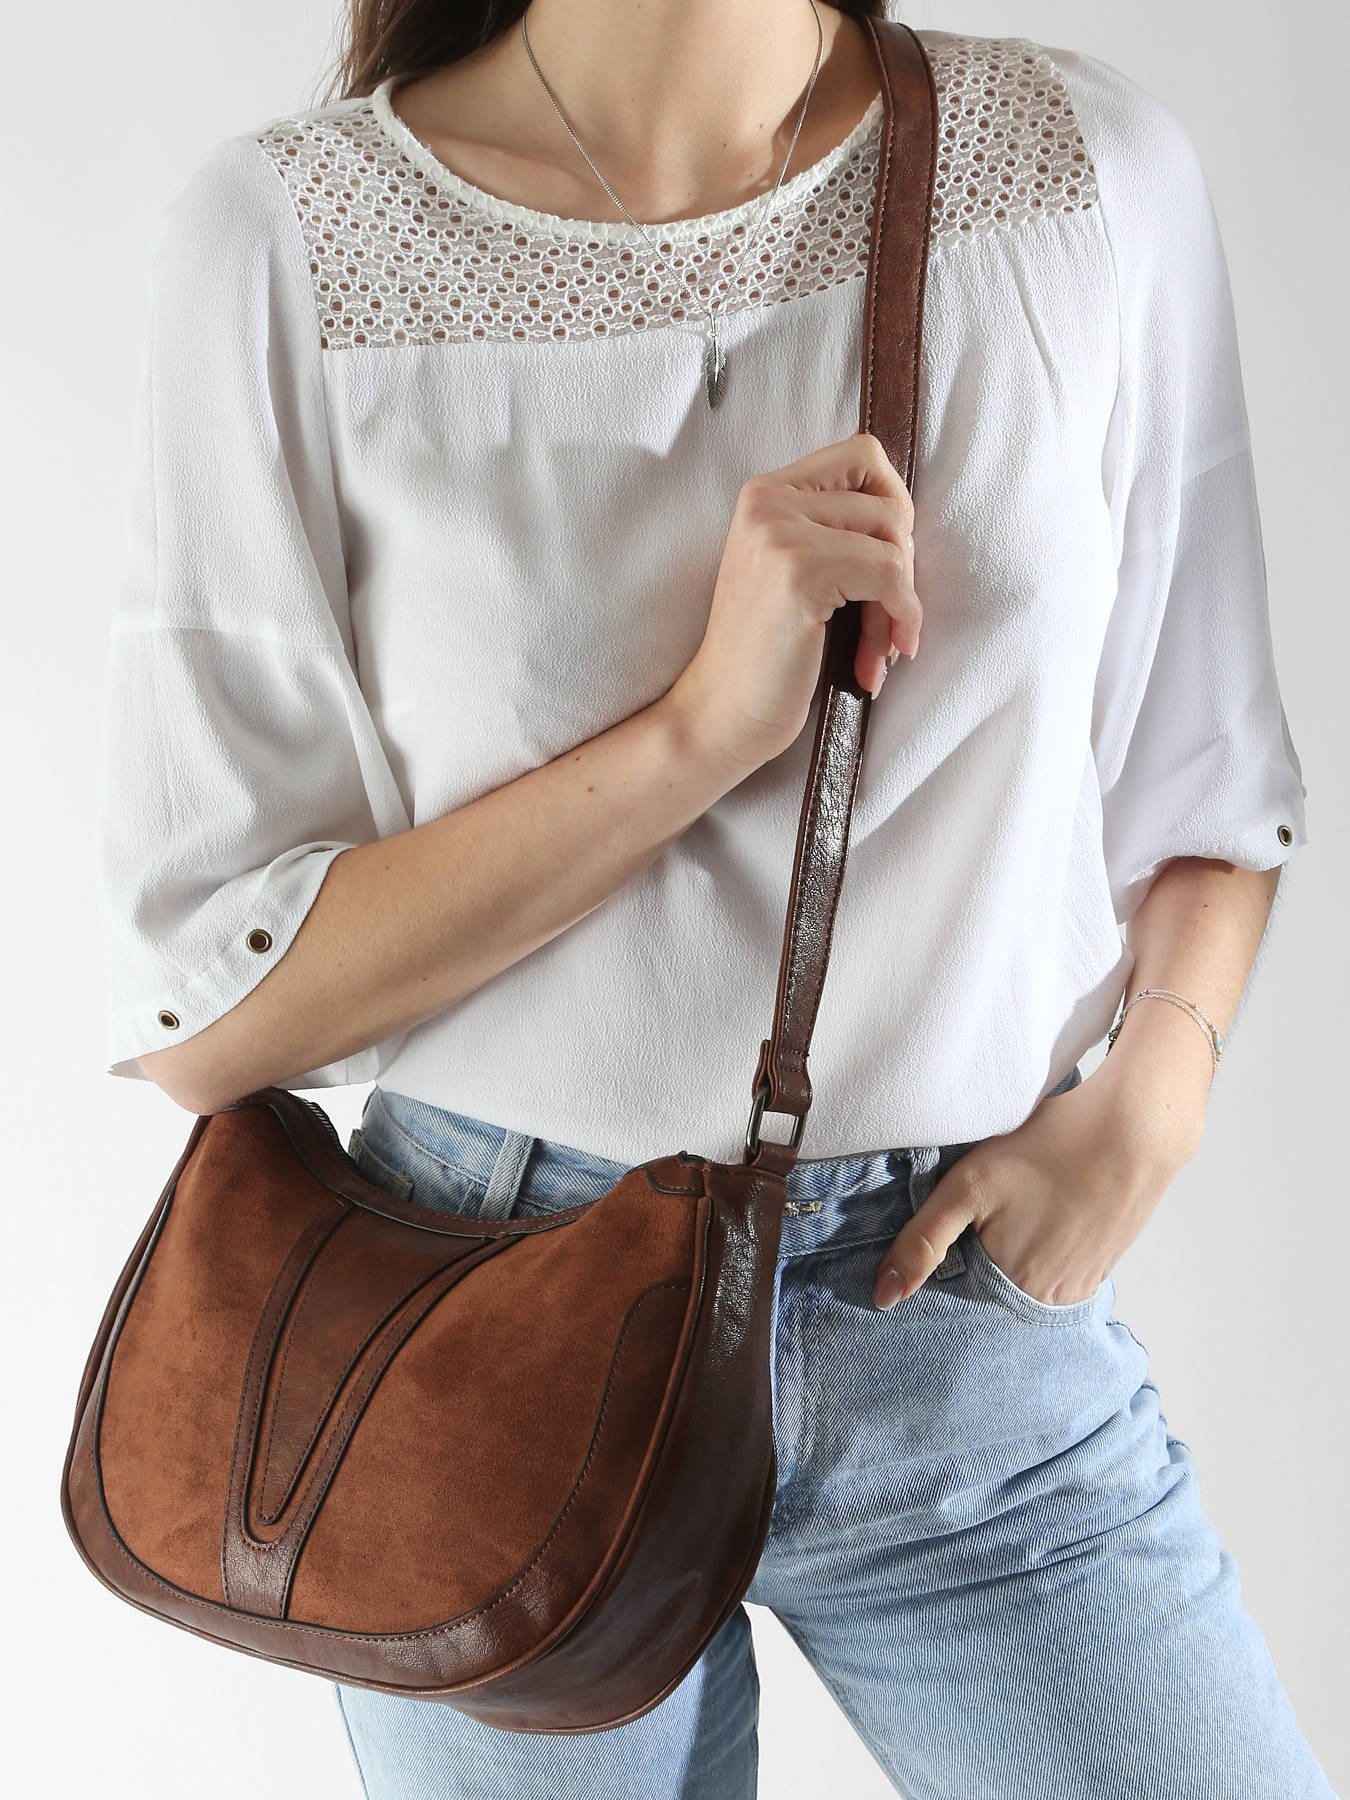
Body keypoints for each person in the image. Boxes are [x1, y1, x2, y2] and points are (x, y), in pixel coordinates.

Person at [97, 0, 1338, 1794]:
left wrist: (1159, 1090)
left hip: (953, 1319)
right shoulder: (293, 238)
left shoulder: (1073, 168)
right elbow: (209, 1011)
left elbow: (1211, 764)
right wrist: (700, 731)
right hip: (484, 1323)